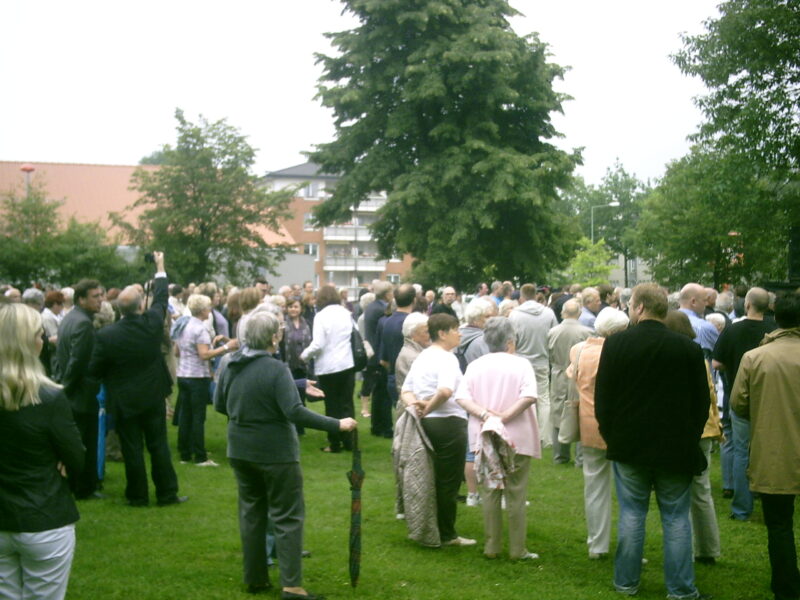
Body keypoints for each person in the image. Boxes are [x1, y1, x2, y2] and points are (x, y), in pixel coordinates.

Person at [215, 311, 357, 598]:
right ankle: (292, 586)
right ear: (273, 337)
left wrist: (298, 385)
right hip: (275, 453)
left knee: (252, 513)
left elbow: (220, 404)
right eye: (278, 331)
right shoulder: (276, 368)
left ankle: (255, 578)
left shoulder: (231, 363)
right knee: (287, 516)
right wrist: (337, 424)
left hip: (240, 450)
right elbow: (293, 412)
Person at [595, 283, 709, 599]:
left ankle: (627, 582)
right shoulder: (687, 348)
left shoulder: (617, 345)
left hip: (630, 445)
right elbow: (701, 404)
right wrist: (690, 436)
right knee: (676, 518)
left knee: (633, 514)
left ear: (640, 307)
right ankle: (680, 588)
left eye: (631, 304)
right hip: (674, 446)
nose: (629, 309)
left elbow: (603, 399)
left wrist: (611, 435)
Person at [0, 303, 85, 600]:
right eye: (39, 335)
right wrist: (65, 460)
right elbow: (78, 458)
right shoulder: (49, 397)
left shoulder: (48, 396)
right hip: (44, 515)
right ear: (30, 342)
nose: (42, 341)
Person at [88, 252, 184, 507]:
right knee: (158, 446)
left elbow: (95, 369)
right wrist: (160, 266)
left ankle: (138, 495)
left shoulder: (107, 335)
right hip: (153, 395)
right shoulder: (151, 323)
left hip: (124, 399)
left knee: (132, 448)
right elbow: (162, 298)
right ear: (140, 306)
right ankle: (166, 493)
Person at [731, 292, 800, 600]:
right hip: (778, 444)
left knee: (779, 524)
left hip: (776, 449)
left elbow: (738, 404)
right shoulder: (756, 355)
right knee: (779, 523)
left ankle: (786, 586)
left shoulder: (756, 357)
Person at [455, 317, 540, 560]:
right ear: (510, 342)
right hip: (516, 437)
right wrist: (504, 416)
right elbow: (529, 396)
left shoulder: (475, 365)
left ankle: (492, 546)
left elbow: (462, 397)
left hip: (484, 435)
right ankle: (517, 549)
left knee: (490, 490)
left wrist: (484, 414)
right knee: (516, 491)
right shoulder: (521, 364)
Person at [401, 313, 474, 547]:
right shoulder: (447, 358)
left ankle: (431, 527)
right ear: (442, 333)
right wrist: (428, 407)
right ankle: (447, 534)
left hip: (428, 424)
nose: (459, 333)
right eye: (455, 329)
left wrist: (418, 406)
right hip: (448, 423)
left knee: (431, 477)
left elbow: (406, 391)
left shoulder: (423, 357)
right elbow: (445, 391)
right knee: (448, 481)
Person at [569, 306, 630, 560]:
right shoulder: (625, 353)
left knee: (594, 486)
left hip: (590, 423)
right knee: (628, 490)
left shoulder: (579, 350)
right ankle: (628, 546)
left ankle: (597, 544)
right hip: (620, 424)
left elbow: (571, 375)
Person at [663, 310, 722, 566]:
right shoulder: (697, 353)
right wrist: (717, 424)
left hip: (688, 428)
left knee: (679, 493)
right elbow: (710, 393)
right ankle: (707, 548)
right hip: (706, 427)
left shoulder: (677, 355)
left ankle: (688, 549)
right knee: (701, 491)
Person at [712, 286, 776, 520]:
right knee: (768, 448)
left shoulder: (733, 330)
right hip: (770, 396)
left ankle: (741, 508)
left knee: (741, 451)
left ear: (747, 304)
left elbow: (717, 363)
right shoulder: (774, 329)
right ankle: (769, 498)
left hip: (739, 395)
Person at [55, 278, 104, 499]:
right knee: (85, 441)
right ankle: (84, 487)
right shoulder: (83, 323)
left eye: (101, 295)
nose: (100, 300)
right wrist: (67, 387)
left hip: (72, 388)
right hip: (80, 391)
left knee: (78, 439)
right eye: (95, 296)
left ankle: (79, 483)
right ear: (81, 299)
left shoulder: (70, 317)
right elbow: (78, 361)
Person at [175, 293, 237, 467]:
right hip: (196, 377)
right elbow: (204, 355)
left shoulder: (183, 325)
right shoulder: (200, 329)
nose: (210, 310)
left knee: (185, 415)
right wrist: (226, 347)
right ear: (202, 310)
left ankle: (185, 452)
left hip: (183, 374)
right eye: (208, 307)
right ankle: (200, 456)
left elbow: (176, 352)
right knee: (197, 416)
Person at [300, 284, 356, 453]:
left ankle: (334, 443)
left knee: (332, 406)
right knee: (347, 404)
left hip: (328, 366)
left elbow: (318, 344)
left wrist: (304, 356)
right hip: (346, 364)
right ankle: (350, 442)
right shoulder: (346, 313)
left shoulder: (321, 316)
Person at [508, 283, 557, 448]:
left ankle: (526, 435)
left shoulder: (514, 315)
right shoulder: (548, 313)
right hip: (542, 360)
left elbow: (511, 339)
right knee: (543, 399)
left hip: (521, 361)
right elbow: (553, 336)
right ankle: (546, 438)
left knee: (523, 399)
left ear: (521, 297)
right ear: (536, 295)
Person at [547, 298, 592, 465]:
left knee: (558, 412)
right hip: (580, 374)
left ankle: (560, 455)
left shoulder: (553, 332)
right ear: (579, 313)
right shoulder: (588, 332)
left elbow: (548, 354)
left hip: (559, 374)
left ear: (563, 313)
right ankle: (580, 457)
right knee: (581, 411)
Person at [394, 312, 430, 394]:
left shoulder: (414, 351)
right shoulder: (413, 357)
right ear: (413, 335)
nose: (430, 335)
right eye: (427, 332)